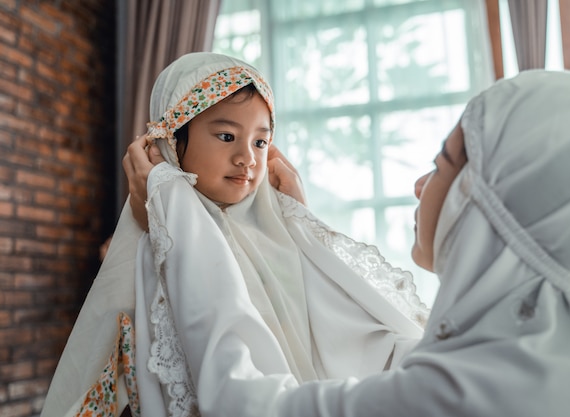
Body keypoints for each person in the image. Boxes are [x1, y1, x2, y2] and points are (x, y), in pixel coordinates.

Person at [124, 69, 570, 416]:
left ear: (485, 202)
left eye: (442, 164)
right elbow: (389, 346)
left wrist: (175, 206)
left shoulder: (473, 388)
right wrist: (301, 226)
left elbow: (243, 402)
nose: (419, 186)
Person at [41, 52, 428, 417]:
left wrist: (298, 218)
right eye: (226, 136)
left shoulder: (278, 232)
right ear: (172, 142)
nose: (248, 158)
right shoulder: (164, 243)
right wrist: (167, 197)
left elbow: (343, 326)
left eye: (261, 142)